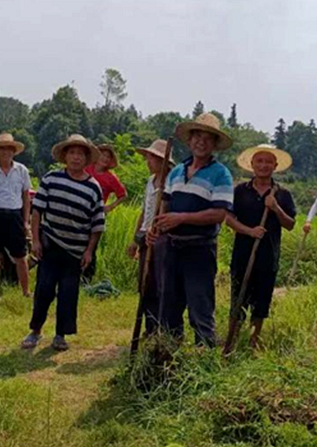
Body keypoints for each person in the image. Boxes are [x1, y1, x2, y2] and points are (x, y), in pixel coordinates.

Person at [147, 113, 234, 348]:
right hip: (171, 249)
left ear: (214, 144)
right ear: (190, 140)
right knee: (168, 307)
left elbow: (219, 214)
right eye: (197, 136)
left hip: (200, 250)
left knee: (200, 308)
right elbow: (164, 207)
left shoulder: (220, 173)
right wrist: (156, 229)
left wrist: (182, 218)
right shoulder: (176, 172)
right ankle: (168, 358)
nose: (201, 142)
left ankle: (204, 361)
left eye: (208, 138)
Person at [21, 135, 106, 352]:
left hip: (76, 252)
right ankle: (36, 331)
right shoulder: (51, 179)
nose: (76, 157)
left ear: (86, 159)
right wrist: (36, 240)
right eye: (72, 153)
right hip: (50, 245)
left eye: (80, 154)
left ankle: (60, 335)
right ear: (65, 156)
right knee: (44, 289)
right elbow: (37, 210)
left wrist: (89, 251)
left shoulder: (93, 188)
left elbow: (97, 224)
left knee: (68, 294)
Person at [225, 145, 296, 350]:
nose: (263, 165)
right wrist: (249, 231)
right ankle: (231, 342)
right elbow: (228, 218)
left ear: (275, 166)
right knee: (238, 299)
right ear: (252, 165)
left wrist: (276, 208)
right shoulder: (240, 191)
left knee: (261, 302)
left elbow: (290, 224)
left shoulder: (282, 194)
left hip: (268, 256)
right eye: (259, 161)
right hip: (242, 255)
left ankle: (253, 343)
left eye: (268, 162)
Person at [126, 139, 174, 336]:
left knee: (159, 285)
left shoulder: (170, 183)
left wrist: (157, 232)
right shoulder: (150, 181)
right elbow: (144, 212)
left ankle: (161, 328)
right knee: (144, 284)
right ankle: (149, 327)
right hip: (146, 237)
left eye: (152, 159)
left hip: (161, 239)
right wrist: (135, 239)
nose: (148, 162)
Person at [0, 133, 33, 301]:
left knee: (20, 255)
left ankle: (26, 291)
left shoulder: (22, 170)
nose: (6, 152)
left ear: (14, 151)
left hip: (14, 215)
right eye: (2, 149)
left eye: (9, 149)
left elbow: (26, 197)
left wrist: (26, 221)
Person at [84, 144, 128, 281]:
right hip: (81, 210)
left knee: (92, 245)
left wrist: (110, 206)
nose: (105, 159)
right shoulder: (87, 169)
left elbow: (123, 194)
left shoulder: (111, 178)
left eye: (108, 157)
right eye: (102, 155)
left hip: (96, 214)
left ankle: (87, 278)